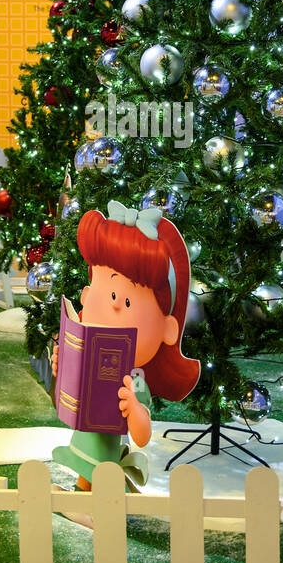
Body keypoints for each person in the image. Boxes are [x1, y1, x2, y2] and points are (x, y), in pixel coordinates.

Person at [51, 200, 201, 493]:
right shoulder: (91, 356)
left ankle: (90, 501)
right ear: (85, 294)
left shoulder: (135, 378)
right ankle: (85, 495)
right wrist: (63, 364)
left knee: (98, 473)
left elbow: (142, 436)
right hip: (86, 440)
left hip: (105, 451)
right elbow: (71, 388)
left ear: (167, 329)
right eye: (105, 289)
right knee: (91, 473)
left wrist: (134, 407)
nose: (115, 303)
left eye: (128, 300)